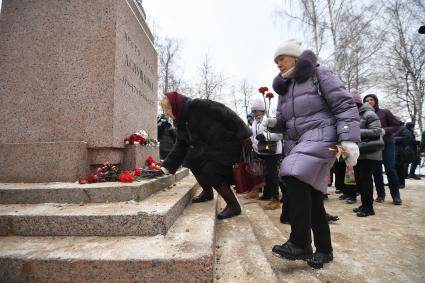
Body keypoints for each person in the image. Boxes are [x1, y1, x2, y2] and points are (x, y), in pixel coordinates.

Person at [265, 39, 360, 269]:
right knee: (312, 196)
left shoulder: (320, 74)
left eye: (282, 58)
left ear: (296, 58)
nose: (278, 64)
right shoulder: (284, 89)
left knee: (291, 172)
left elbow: (344, 105)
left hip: (325, 136)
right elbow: (286, 122)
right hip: (300, 142)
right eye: (276, 61)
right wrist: (274, 124)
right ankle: (325, 250)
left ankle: (300, 242)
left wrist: (348, 138)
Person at [159, 92, 252, 219]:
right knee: (191, 160)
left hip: (227, 144)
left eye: (167, 110)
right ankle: (207, 192)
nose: (166, 114)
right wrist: (166, 167)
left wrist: (244, 135)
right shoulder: (180, 121)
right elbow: (181, 145)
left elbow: (227, 114)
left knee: (211, 169)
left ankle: (233, 205)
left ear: (174, 106)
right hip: (209, 149)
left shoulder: (199, 105)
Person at [244, 98, 283, 210]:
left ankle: (276, 199)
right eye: (253, 110)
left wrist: (265, 136)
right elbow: (253, 136)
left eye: (256, 110)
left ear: (261, 110)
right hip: (260, 151)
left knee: (272, 175)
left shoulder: (269, 120)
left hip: (273, 152)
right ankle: (266, 194)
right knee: (262, 174)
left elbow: (279, 135)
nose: (254, 113)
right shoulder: (255, 122)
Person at [363, 94, 402, 205]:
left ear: (375, 101)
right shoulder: (365, 115)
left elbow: (396, 125)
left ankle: (396, 196)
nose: (369, 102)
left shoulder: (384, 112)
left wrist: (384, 130)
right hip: (374, 146)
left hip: (387, 144)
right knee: (376, 171)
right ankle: (381, 195)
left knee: (390, 169)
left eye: (371, 100)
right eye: (366, 100)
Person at [351, 90, 384, 217]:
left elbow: (377, 131)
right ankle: (364, 204)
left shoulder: (369, 114)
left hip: (371, 152)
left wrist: (356, 132)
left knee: (365, 179)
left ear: (357, 103)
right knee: (360, 179)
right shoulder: (356, 115)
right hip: (360, 151)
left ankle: (369, 208)